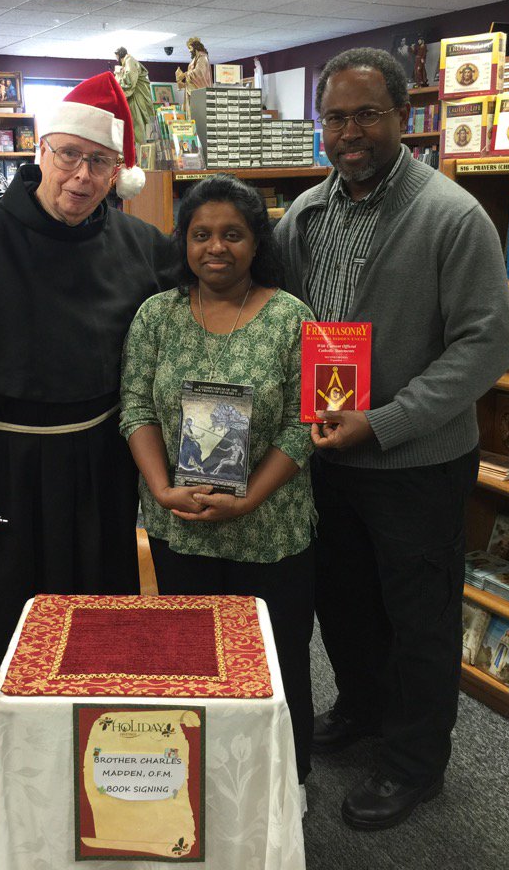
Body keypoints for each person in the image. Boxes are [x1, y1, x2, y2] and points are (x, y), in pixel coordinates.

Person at [274, 47, 509, 830]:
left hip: (414, 462)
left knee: (419, 616)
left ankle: (416, 764)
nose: (349, 132)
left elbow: (482, 348)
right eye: (334, 117)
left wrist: (384, 420)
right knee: (343, 602)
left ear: (402, 120)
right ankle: (365, 708)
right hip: (327, 455)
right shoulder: (307, 213)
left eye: (365, 114)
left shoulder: (451, 216)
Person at [0, 72, 179, 684]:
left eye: (99, 162)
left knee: (95, 608)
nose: (81, 176)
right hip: (4, 471)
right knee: (10, 623)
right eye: (70, 156)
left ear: (117, 174)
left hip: (102, 465)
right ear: (42, 154)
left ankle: (92, 726)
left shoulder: (138, 244)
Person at [120, 174, 316, 793]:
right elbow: (136, 409)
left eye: (233, 234)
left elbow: (305, 421)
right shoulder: (157, 316)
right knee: (193, 659)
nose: (216, 247)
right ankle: (200, 779)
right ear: (183, 243)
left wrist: (253, 496)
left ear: (257, 242)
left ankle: (287, 780)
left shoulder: (291, 317)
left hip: (271, 526)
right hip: (184, 523)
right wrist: (161, 490)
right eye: (200, 234)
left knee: (277, 659)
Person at [115, 47, 154, 145]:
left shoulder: (129, 61)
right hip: (136, 95)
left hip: (136, 96)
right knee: (139, 123)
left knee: (139, 123)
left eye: (116, 57)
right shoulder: (128, 62)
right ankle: (143, 150)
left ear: (119, 55)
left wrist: (118, 77)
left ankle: (144, 152)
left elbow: (129, 81)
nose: (116, 59)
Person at [175, 38, 212, 117]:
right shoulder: (196, 58)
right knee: (191, 114)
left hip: (199, 93)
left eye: (190, 48)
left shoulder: (202, 57)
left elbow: (199, 73)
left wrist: (184, 75)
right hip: (192, 93)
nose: (189, 51)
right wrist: (182, 84)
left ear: (195, 47)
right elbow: (193, 80)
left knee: (197, 115)